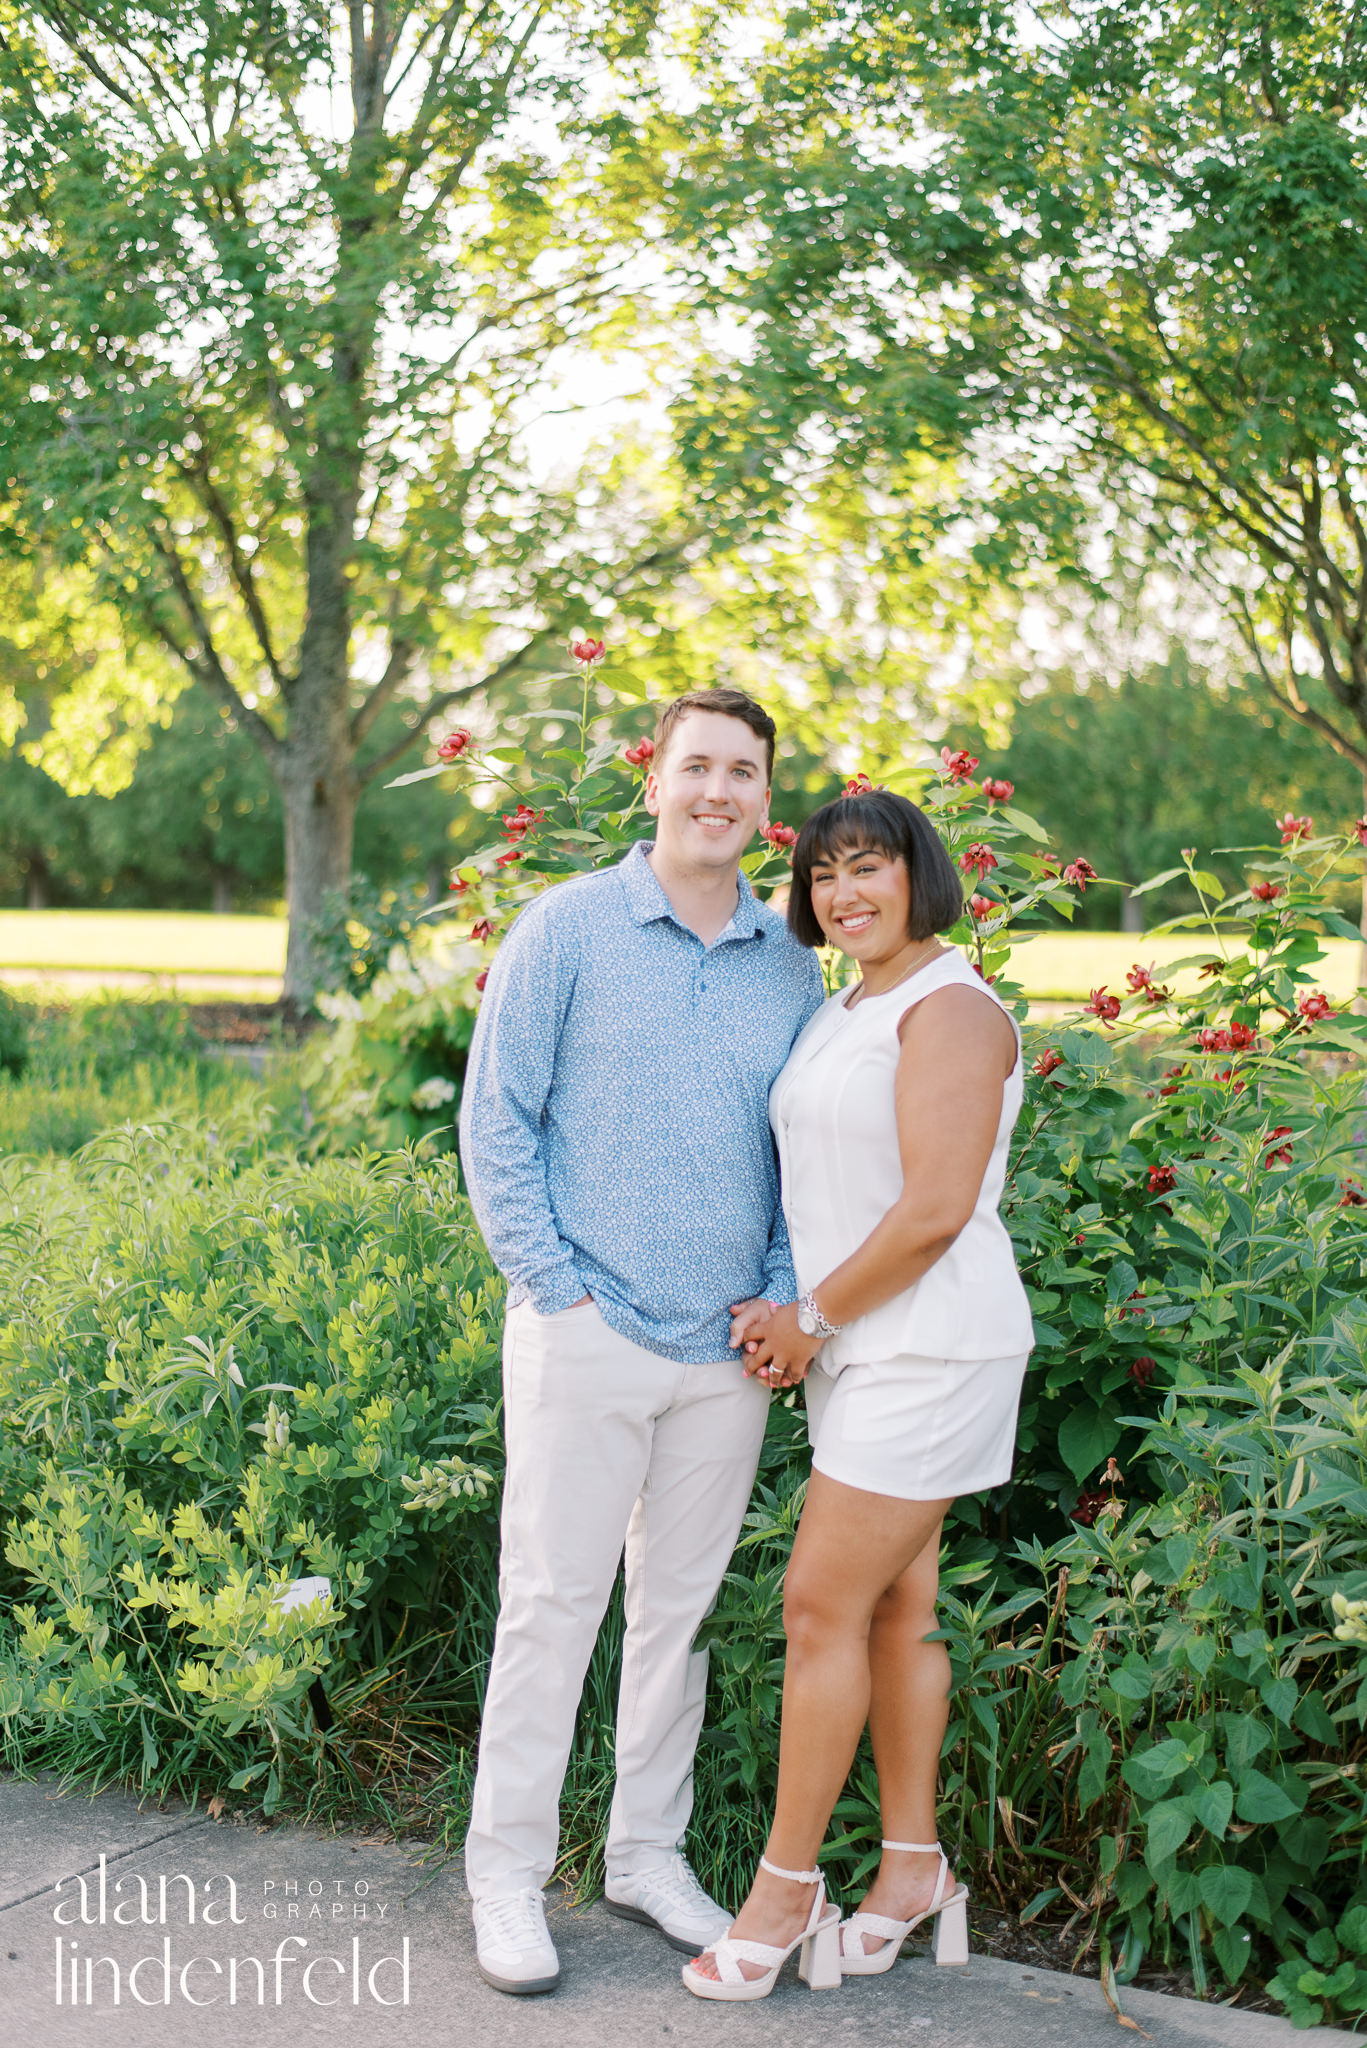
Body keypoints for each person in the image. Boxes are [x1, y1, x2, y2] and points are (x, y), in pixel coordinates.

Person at [458, 688, 825, 1995]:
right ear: (653, 780)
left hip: (722, 1354)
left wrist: (779, 1299)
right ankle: (505, 1876)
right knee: (550, 1609)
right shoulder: (565, 927)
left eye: (741, 772)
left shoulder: (790, 966)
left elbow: (799, 1155)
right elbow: (496, 1126)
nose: (717, 790)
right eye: (696, 767)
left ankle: (643, 1854)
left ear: (764, 801)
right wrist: (553, 1295)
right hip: (586, 1330)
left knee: (674, 1618)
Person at [682, 785, 1033, 2002]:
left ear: (917, 872)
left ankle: (784, 1892)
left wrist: (809, 1319)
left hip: (927, 1349)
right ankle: (910, 1867)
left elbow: (934, 1207)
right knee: (896, 1611)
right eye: (823, 873)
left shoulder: (949, 1009)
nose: (843, 890)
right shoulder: (850, 1005)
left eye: (867, 864)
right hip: (861, 1349)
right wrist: (788, 1311)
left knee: (815, 1604)